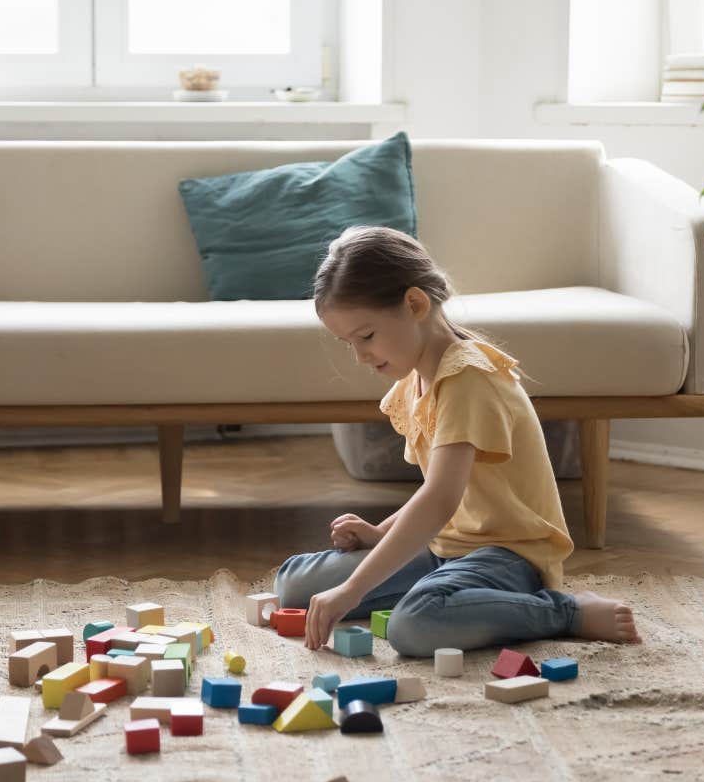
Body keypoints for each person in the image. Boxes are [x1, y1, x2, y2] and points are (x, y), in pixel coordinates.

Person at [274, 226, 641, 655]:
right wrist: (379, 534)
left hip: (509, 555)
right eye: (348, 343)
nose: (360, 356)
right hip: (444, 548)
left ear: (414, 304)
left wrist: (354, 588)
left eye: (366, 336)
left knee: (414, 625)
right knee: (293, 584)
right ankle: (459, 601)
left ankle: (563, 610)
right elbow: (439, 498)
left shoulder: (467, 378)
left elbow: (439, 499)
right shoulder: (418, 377)